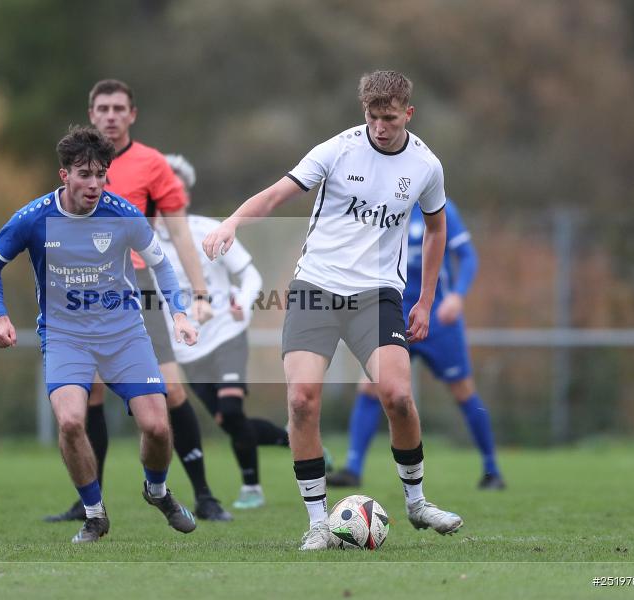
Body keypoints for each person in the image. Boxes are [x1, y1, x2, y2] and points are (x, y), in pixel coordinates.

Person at [202, 70, 464, 550]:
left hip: (379, 294)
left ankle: (417, 502)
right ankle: (319, 522)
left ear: (408, 113)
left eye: (389, 117)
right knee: (301, 399)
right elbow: (278, 194)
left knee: (398, 396)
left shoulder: (427, 166)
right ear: (363, 112)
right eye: (372, 116)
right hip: (316, 287)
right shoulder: (338, 149)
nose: (380, 127)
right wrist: (233, 221)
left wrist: (425, 300)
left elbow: (436, 229)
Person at [0, 125, 199, 543]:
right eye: (85, 174)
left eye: (101, 174)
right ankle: (95, 515)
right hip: (65, 337)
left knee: (156, 426)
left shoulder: (123, 214)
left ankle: (157, 491)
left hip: (123, 334)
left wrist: (180, 314)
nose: (94, 183)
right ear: (64, 175)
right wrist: (0, 318)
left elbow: (161, 264)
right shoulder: (34, 218)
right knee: (71, 421)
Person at [45, 79, 231, 523]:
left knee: (170, 390)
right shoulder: (78, 164)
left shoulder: (152, 165)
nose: (110, 115)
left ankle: (204, 493)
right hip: (82, 291)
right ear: (92, 114)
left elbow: (179, 231)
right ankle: (89, 501)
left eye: (119, 108)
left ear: (133, 114)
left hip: (138, 287)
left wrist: (197, 292)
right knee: (84, 394)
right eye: (103, 108)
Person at [328, 199, 505, 490]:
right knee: (371, 386)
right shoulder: (381, 207)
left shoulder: (443, 210)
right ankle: (353, 469)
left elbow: (468, 256)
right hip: (392, 315)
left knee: (463, 391)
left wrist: (457, 295)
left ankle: (491, 470)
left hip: (438, 320)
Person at [159, 153, 295, 510]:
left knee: (232, 411)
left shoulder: (209, 230)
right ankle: (297, 439)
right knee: (227, 420)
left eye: (176, 189)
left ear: (185, 194)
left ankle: (252, 488)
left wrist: (244, 302)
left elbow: (251, 276)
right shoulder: (143, 243)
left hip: (226, 332)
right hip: (186, 348)